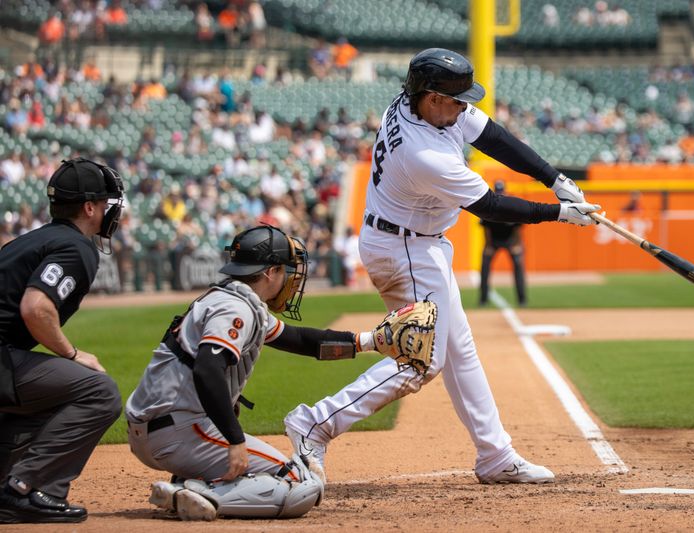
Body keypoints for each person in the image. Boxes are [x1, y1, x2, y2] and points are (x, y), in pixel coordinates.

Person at [283, 48, 600, 485]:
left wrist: (554, 178)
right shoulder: (424, 154)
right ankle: (315, 424)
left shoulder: (421, 105)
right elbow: (489, 205)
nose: (463, 106)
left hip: (414, 242)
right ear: (432, 97)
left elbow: (492, 135)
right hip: (404, 249)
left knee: (459, 350)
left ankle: (494, 455)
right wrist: (559, 214)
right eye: (456, 99)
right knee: (421, 361)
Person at [125, 225, 420, 521]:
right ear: (270, 272)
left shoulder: (234, 299)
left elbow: (301, 340)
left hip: (157, 429)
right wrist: (235, 439)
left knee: (272, 462)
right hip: (180, 433)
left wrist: (371, 341)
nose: (290, 277)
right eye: (286, 270)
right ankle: (202, 494)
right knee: (302, 484)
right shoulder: (235, 308)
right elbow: (207, 370)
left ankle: (190, 483)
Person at [0, 158, 126, 523]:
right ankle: (22, 489)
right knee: (98, 391)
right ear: (89, 208)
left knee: (51, 394)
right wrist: (72, 353)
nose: (108, 213)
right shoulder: (76, 247)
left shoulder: (35, 239)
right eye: (104, 205)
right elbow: (35, 307)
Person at [479, 180, 527, 307]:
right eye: (498, 192)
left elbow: (518, 227)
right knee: (485, 264)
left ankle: (522, 300)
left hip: (511, 240)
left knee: (518, 263)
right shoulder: (488, 205)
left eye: (501, 191)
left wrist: (517, 245)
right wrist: (488, 245)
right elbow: (486, 228)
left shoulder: (511, 205)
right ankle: (483, 300)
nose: (500, 194)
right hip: (493, 241)